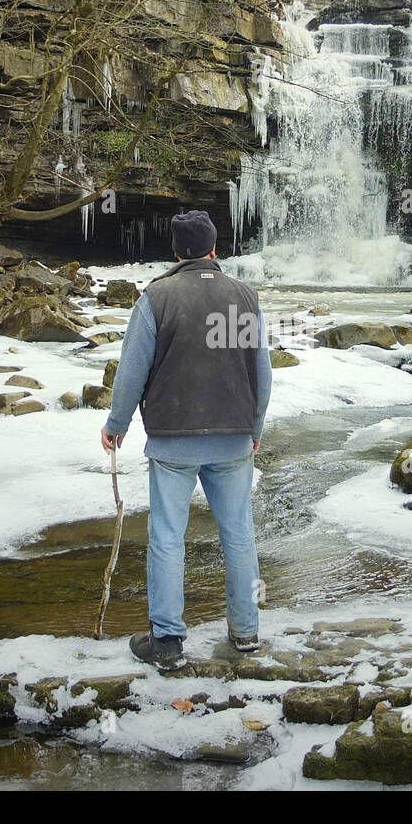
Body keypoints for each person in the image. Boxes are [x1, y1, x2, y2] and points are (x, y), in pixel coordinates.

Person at [100, 210, 272, 672]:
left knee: (167, 537)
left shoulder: (156, 297)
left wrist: (116, 425)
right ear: (214, 249)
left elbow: (131, 372)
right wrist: (254, 428)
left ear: (176, 252)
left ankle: (168, 639)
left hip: (173, 440)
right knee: (238, 534)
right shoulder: (245, 298)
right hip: (233, 437)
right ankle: (246, 631)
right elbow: (262, 373)